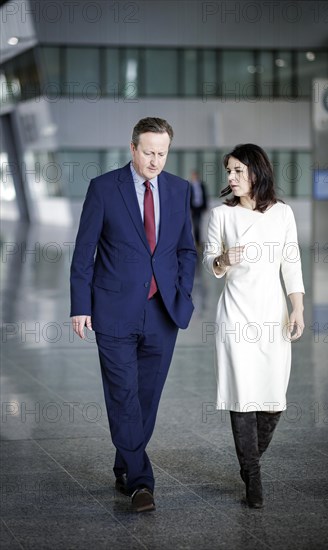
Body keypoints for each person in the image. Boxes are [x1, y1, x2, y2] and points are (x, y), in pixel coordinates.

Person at [70, 117, 197, 513]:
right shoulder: (105, 188)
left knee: (146, 398)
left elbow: (186, 250)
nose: (155, 161)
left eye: (162, 153)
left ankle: (126, 462)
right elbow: (83, 251)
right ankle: (142, 482)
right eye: (148, 152)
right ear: (132, 148)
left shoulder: (179, 190)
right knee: (123, 394)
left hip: (163, 312)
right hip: (114, 311)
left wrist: (183, 293)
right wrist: (80, 306)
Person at [203, 143, 305, 508]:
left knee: (273, 398)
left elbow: (291, 264)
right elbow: (210, 264)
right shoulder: (221, 215)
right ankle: (254, 477)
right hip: (235, 316)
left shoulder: (283, 214)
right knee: (243, 396)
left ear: (257, 173)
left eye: (237, 171)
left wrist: (298, 308)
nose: (230, 177)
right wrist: (224, 259)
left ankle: (251, 461)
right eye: (228, 171)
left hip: (273, 316)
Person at [189, 170, 207, 246]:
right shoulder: (190, 186)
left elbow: (205, 196)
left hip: (199, 207)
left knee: (198, 225)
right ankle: (195, 241)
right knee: (194, 225)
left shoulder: (202, 185)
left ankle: (198, 241)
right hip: (193, 208)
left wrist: (205, 206)